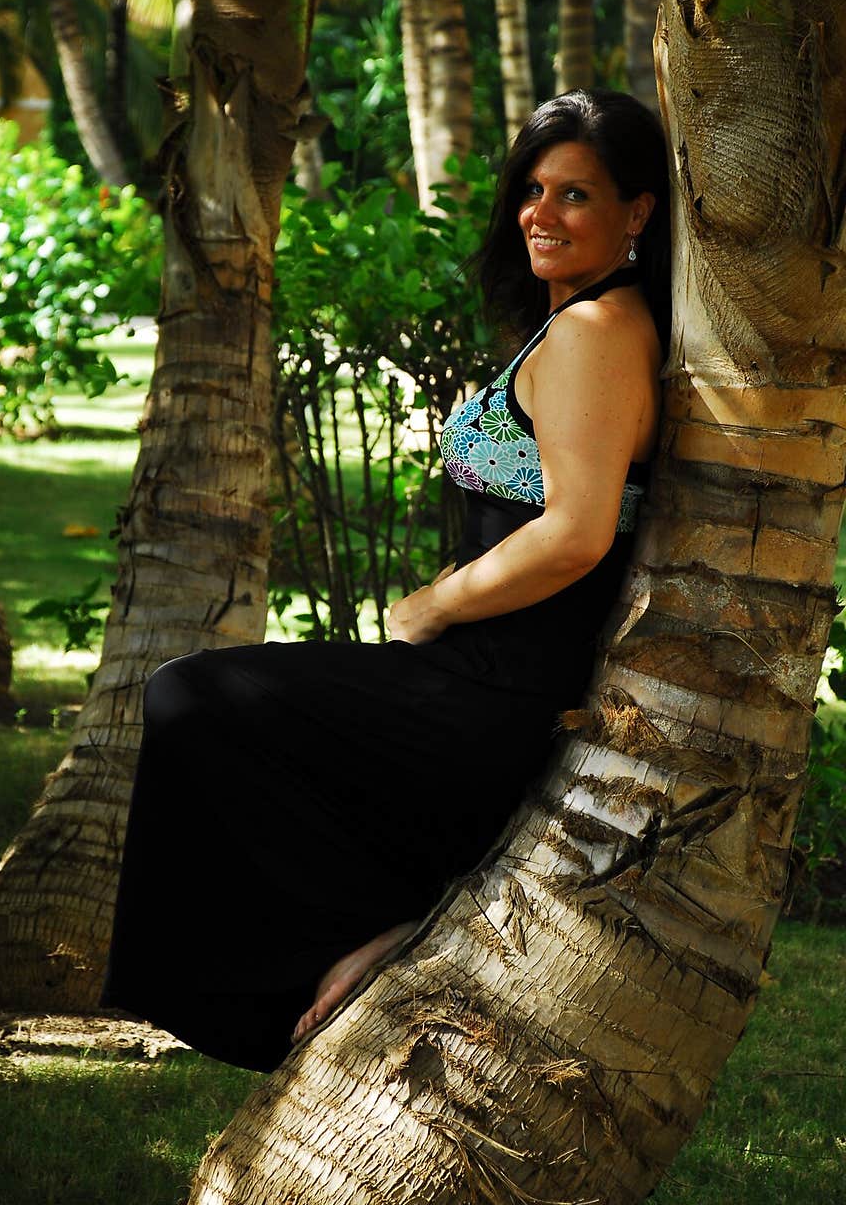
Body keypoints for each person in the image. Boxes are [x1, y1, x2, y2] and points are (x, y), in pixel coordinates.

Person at [101, 88, 671, 1072]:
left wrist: (431, 604)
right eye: (532, 188)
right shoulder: (583, 322)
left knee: (191, 698)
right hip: (474, 681)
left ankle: (369, 927)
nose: (541, 211)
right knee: (226, 712)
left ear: (639, 213)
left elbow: (574, 535)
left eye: (575, 195)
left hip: (490, 699)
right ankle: (359, 928)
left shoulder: (596, 332)